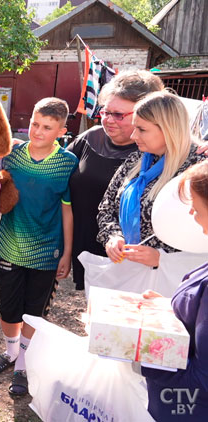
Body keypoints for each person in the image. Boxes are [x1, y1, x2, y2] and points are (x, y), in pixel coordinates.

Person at [0, 98, 78, 396]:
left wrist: (66, 252)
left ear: (62, 130)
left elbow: (67, 209)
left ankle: (22, 366)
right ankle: (12, 351)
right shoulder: (11, 156)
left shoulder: (68, 163)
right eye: (34, 124)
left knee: (33, 312)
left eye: (47, 127)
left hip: (46, 252)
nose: (37, 132)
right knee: (8, 309)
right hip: (9, 247)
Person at [67, 70, 165, 290]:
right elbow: (55, 169)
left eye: (118, 115)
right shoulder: (90, 138)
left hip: (131, 257)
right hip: (86, 244)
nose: (108, 120)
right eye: (105, 111)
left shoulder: (153, 154)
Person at [98, 91, 205, 268]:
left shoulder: (197, 169)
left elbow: (201, 238)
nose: (133, 136)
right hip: (129, 270)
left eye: (142, 129)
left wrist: (163, 259)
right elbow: (107, 207)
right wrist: (113, 236)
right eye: (134, 128)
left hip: (175, 281)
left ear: (168, 129)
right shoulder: (136, 160)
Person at [139, 160, 208, 420]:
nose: (192, 213)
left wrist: (144, 351)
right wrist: (170, 309)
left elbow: (201, 379)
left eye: (197, 206)